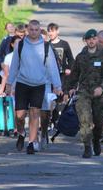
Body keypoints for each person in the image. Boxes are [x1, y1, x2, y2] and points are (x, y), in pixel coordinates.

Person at [7, 20, 62, 154]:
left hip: (39, 84)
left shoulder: (45, 46)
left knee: (35, 113)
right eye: (31, 29)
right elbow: (14, 65)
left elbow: (52, 67)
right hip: (22, 83)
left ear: (39, 30)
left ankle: (31, 142)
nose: (34, 32)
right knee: (19, 115)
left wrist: (57, 86)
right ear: (27, 30)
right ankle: (21, 133)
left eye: (36, 30)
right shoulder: (20, 45)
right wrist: (9, 83)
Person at [65, 29, 103, 158]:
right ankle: (87, 146)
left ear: (97, 40)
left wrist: (102, 87)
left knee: (99, 121)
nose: (91, 41)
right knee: (84, 119)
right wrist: (70, 88)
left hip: (99, 93)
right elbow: (74, 75)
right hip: (84, 92)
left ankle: (96, 139)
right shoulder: (80, 57)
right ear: (85, 41)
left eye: (93, 39)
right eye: (88, 39)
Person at [47, 23, 74, 91]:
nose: (50, 33)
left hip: (62, 75)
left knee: (61, 96)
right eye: (49, 31)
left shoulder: (64, 44)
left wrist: (70, 69)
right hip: (50, 76)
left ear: (57, 31)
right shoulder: (46, 45)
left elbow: (70, 59)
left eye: (52, 31)